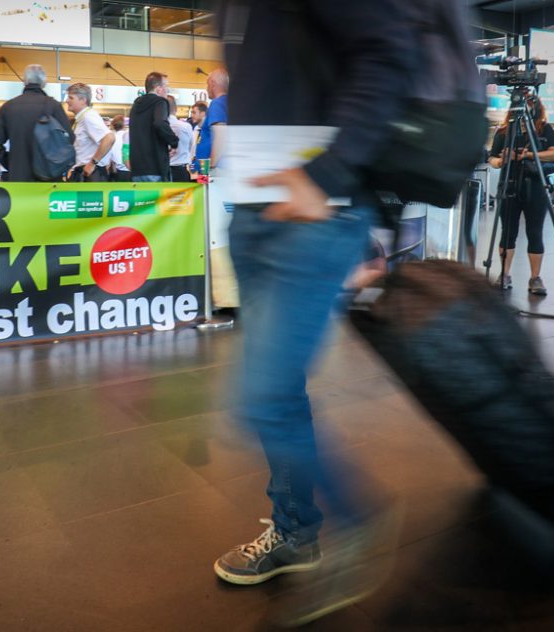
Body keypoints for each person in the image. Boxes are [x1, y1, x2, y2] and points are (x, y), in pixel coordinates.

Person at [212, 2, 415, 625]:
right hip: (256, 206)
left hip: (316, 208)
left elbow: (387, 56)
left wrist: (325, 177)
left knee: (262, 397)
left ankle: (362, 520)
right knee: (280, 391)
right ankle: (297, 531)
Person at [488, 95, 554, 296]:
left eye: (530, 104)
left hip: (536, 187)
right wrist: (502, 160)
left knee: (535, 232)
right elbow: (492, 158)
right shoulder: (504, 131)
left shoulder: (543, 129)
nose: (526, 109)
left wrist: (528, 155)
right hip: (509, 185)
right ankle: (504, 274)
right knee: (507, 232)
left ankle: (535, 277)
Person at [0, 64, 71, 182]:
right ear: (44, 83)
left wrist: (12, 162)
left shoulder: (8, 107)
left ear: (25, 81)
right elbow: (69, 139)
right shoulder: (53, 106)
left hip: (19, 177)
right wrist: (56, 163)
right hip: (50, 179)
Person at [129, 71, 178, 182]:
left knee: (142, 200)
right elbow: (160, 123)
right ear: (158, 89)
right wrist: (174, 141)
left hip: (137, 169)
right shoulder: (160, 102)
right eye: (166, 86)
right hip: (155, 167)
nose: (168, 90)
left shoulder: (136, 105)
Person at [65, 82, 114, 183]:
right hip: (84, 173)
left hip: (89, 175)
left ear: (83, 100)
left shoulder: (88, 117)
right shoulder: (82, 119)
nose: (67, 101)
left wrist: (92, 163)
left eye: (71, 98)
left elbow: (109, 138)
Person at [196, 68, 228, 168]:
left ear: (213, 83)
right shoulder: (228, 103)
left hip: (215, 171)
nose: (207, 88)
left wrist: (210, 165)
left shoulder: (217, 103)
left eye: (207, 84)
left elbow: (221, 134)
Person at [167, 94, 195, 182]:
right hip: (181, 171)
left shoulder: (157, 127)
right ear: (175, 109)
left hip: (163, 171)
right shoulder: (186, 127)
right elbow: (191, 148)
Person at [108, 115, 132, 182]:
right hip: (131, 170)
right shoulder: (129, 135)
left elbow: (110, 159)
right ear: (124, 125)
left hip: (118, 172)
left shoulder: (110, 138)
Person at [189, 101, 208, 171]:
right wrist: (191, 169)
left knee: (202, 182)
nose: (191, 115)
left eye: (194, 112)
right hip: (194, 168)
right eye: (191, 112)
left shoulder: (209, 131)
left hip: (205, 169)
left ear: (203, 114)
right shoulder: (195, 130)